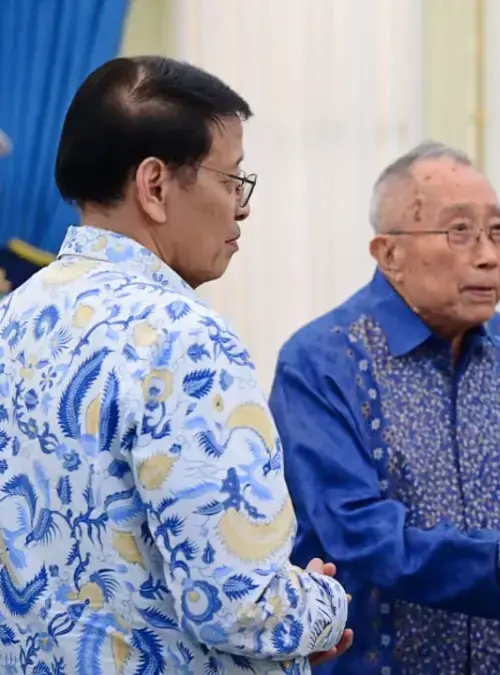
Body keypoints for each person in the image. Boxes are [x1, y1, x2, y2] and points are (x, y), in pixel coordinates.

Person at [0, 56, 350, 674]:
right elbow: (238, 604)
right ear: (155, 185)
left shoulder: (15, 316)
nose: (241, 208)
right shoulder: (184, 339)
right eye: (231, 179)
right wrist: (321, 604)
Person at [269, 141, 500, 674]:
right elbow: (353, 532)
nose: (490, 256)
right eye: (460, 232)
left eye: (497, 231)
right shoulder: (321, 361)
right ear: (389, 254)